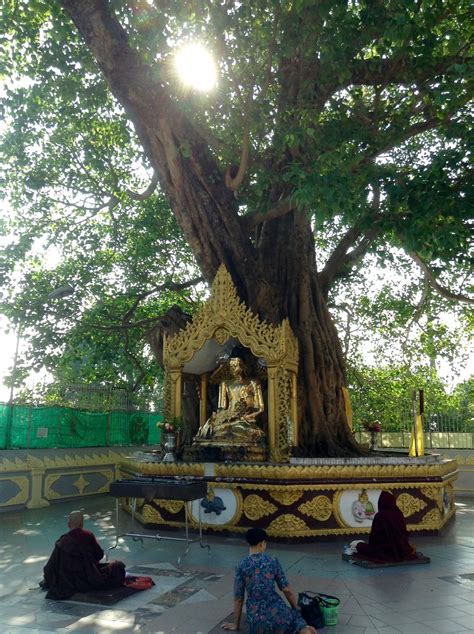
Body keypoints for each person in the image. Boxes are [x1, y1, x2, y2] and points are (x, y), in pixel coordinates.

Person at [222, 527, 317, 633]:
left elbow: (238, 598)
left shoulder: (241, 565)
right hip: (278, 614)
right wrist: (296, 609)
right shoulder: (272, 561)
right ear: (262, 543)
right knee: (296, 621)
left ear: (248, 543)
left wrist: (236, 624)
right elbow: (286, 590)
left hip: (256, 620)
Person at [41, 510, 125, 599]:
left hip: (66, 581)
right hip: (87, 579)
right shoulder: (88, 535)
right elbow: (99, 555)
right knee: (118, 566)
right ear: (82, 524)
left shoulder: (62, 541)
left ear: (68, 524)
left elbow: (50, 567)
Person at [195, 356, 265, 444]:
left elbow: (261, 409)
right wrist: (218, 418)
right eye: (231, 367)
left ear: (242, 367)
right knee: (214, 429)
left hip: (245, 420)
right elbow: (222, 408)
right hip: (229, 418)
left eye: (236, 366)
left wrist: (248, 417)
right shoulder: (224, 383)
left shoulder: (253, 383)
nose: (234, 369)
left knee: (242, 428)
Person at [356, 491, 416, 562]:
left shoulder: (380, 516)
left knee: (358, 545)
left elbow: (374, 539)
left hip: (383, 552)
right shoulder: (398, 513)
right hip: (401, 550)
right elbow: (404, 533)